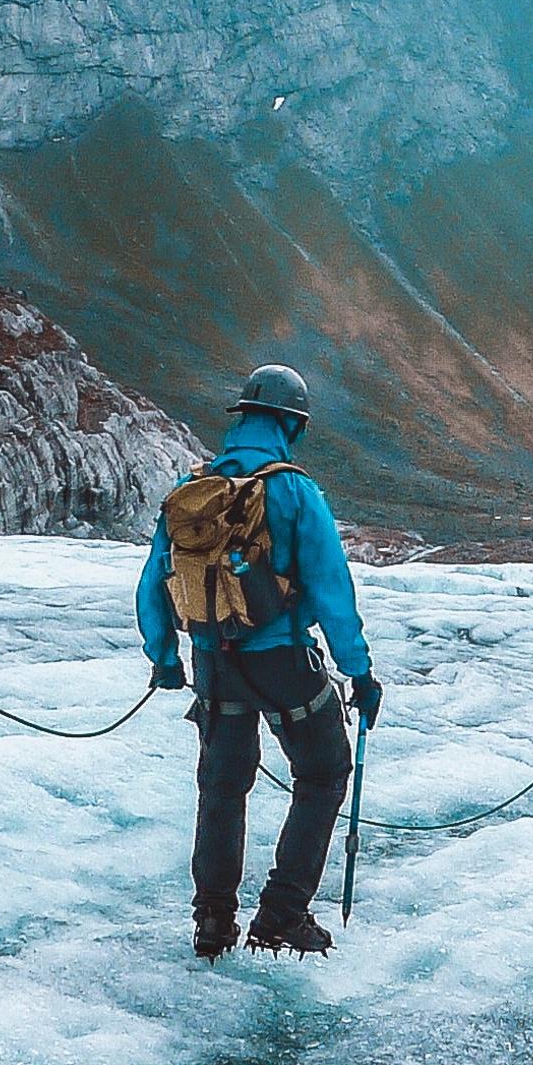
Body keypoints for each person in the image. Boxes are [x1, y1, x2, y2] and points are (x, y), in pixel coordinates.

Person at [140, 364, 380, 960]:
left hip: (212, 660)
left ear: (242, 415)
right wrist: (359, 670)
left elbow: (154, 584)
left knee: (222, 786)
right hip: (282, 660)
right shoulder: (293, 490)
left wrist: (166, 657)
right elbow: (330, 588)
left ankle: (214, 921)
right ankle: (282, 913)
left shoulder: (191, 491)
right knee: (323, 772)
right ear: (291, 424)